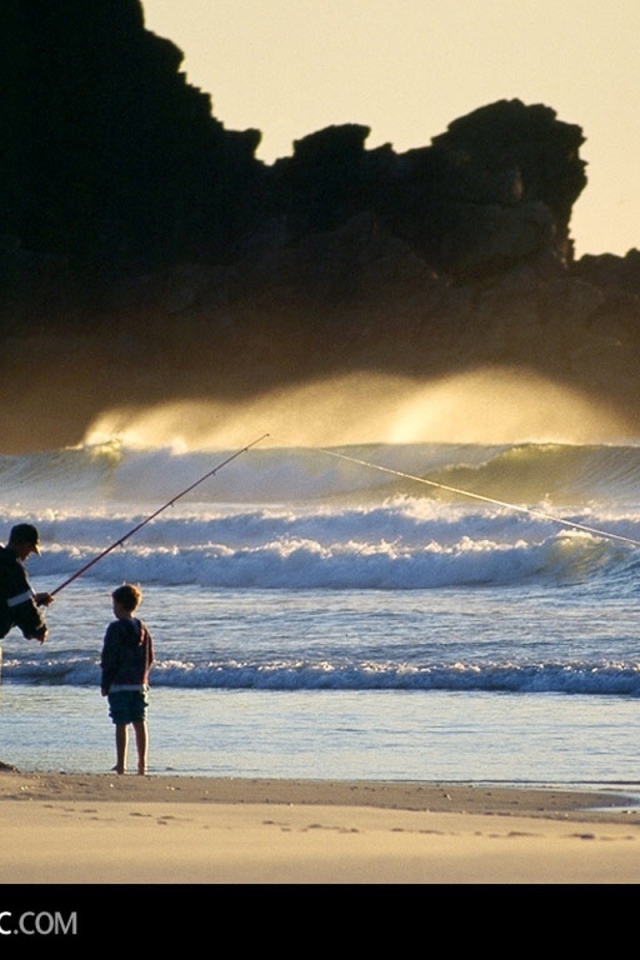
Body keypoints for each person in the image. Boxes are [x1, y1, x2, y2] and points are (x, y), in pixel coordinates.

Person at [100, 583, 154, 775]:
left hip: (119, 684)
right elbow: (151, 656)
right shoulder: (142, 627)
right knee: (140, 722)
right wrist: (144, 676)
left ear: (121, 605)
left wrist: (105, 683)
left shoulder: (114, 629)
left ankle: (121, 763)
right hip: (139, 684)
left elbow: (109, 658)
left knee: (121, 724)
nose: (114, 610)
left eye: (114, 605)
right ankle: (142, 764)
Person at [0, 523, 53, 643]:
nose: (29, 555)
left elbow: (8, 598)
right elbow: (23, 606)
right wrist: (38, 630)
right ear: (25, 545)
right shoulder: (12, 567)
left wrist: (34, 599)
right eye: (30, 550)